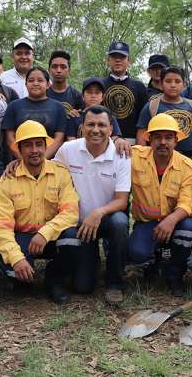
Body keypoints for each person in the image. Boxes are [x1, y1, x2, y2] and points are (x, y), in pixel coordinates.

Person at [0, 120, 81, 303]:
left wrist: (44, 233)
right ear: (20, 149)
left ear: (45, 146)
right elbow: (1, 226)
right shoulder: (7, 180)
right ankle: (21, 279)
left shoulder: (61, 173)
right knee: (11, 266)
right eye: (28, 145)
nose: (34, 150)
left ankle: (55, 280)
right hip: (21, 237)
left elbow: (70, 212)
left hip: (50, 237)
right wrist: (16, 259)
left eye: (39, 144)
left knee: (72, 237)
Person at [53, 105, 131, 305]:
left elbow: (122, 201)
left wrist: (99, 212)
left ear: (111, 129)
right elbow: (49, 177)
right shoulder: (68, 150)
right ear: (82, 127)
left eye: (102, 125)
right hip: (79, 223)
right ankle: (91, 259)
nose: (96, 130)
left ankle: (115, 283)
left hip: (106, 219)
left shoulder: (121, 155)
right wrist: (16, 163)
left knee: (121, 222)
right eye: (91, 124)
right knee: (83, 287)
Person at [128, 114, 192, 296]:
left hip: (175, 224)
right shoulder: (134, 156)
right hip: (147, 223)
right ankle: (154, 262)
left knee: (189, 227)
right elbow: (106, 149)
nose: (162, 142)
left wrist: (172, 219)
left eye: (168, 137)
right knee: (136, 253)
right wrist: (118, 141)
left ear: (176, 140)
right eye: (157, 137)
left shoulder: (187, 166)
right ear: (149, 139)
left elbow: (188, 201)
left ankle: (174, 274)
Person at [136, 66, 192, 169]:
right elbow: (141, 135)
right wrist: (143, 161)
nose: (173, 85)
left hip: (190, 159)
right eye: (168, 81)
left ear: (184, 84)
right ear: (161, 84)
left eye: (177, 81)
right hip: (159, 161)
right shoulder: (152, 106)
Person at [2, 67, 67, 159]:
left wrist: (42, 160)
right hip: (21, 161)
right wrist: (24, 160)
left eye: (40, 80)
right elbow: (10, 138)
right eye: (31, 80)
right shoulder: (14, 106)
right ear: (26, 84)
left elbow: (59, 138)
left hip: (51, 161)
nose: (35, 83)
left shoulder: (58, 107)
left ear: (48, 84)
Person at [101, 40, 148, 141]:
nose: (118, 60)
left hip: (133, 142)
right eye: (114, 57)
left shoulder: (139, 86)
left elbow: (144, 119)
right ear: (108, 60)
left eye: (122, 57)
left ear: (129, 61)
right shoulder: (99, 85)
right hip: (104, 141)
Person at [65, 77, 124, 143]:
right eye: (89, 92)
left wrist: (119, 140)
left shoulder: (110, 117)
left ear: (102, 97)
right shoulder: (75, 117)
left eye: (97, 92)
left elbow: (115, 139)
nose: (93, 96)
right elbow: (71, 142)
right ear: (82, 96)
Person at [47, 50, 83, 118]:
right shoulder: (43, 94)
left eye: (63, 67)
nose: (59, 70)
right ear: (49, 70)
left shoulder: (77, 95)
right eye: (54, 67)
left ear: (69, 71)